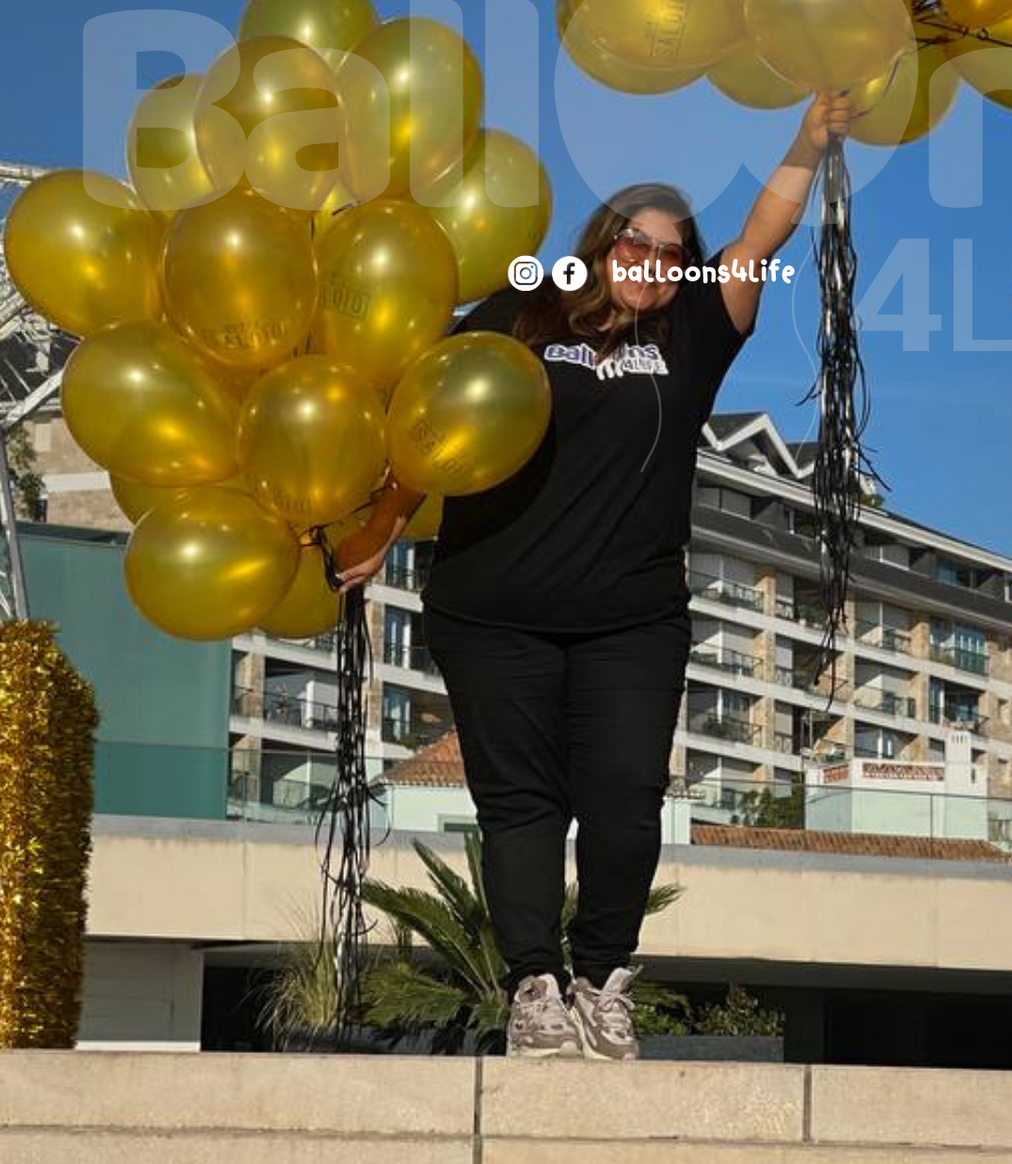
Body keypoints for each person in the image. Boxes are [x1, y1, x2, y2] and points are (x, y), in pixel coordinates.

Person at [338, 90, 852, 1060]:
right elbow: (429, 427)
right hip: (493, 611)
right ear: (598, 244)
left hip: (630, 618)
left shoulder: (693, 333)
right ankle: (532, 988)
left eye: (670, 253)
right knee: (520, 804)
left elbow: (762, 228)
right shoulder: (516, 312)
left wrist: (808, 140)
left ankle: (601, 976)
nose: (652, 267)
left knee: (622, 800)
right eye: (634, 246)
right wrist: (378, 528)